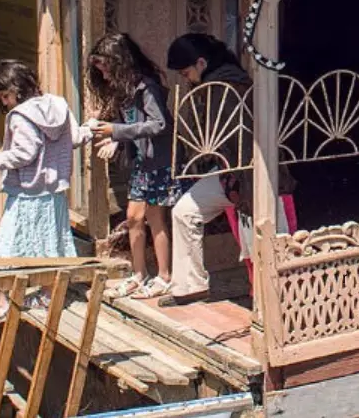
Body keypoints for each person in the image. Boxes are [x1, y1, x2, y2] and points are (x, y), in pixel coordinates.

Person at [0, 60, 93, 310]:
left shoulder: (21, 117)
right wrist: (91, 127)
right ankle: (47, 295)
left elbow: (24, 154)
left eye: (5, 96)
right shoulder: (57, 105)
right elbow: (74, 138)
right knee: (49, 244)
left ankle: (1, 304)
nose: (3, 102)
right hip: (53, 192)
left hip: (27, 191)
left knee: (8, 246)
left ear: (16, 89)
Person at [162, 33, 254, 306]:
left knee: (256, 241)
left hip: (249, 171)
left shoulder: (226, 86)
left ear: (201, 63)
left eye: (186, 71)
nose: (186, 78)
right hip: (229, 170)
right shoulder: (220, 84)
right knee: (184, 211)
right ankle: (190, 286)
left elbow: (234, 136)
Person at [88, 33, 182, 299]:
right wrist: (116, 138)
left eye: (106, 67)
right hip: (141, 162)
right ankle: (139, 274)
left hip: (158, 162)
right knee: (133, 217)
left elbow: (160, 123)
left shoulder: (146, 88)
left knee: (154, 218)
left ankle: (164, 275)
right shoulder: (123, 91)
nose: (103, 74)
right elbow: (127, 125)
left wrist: (117, 132)